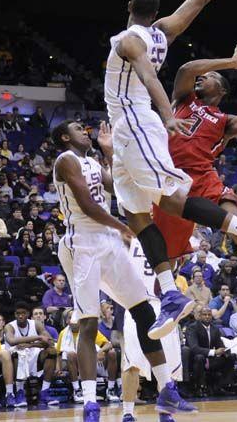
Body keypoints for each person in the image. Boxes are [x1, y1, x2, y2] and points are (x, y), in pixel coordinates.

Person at [102, 0, 237, 339]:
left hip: (138, 124)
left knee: (170, 199)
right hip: (127, 130)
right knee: (134, 213)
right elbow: (199, 0)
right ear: (155, 13)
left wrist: (167, 115)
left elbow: (149, 75)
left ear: (129, 9)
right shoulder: (162, 32)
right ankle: (170, 293)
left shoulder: (130, 40)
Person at [53, 120, 195, 421]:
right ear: (65, 137)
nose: (85, 131)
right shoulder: (65, 160)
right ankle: (91, 404)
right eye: (78, 128)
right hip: (82, 243)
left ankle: (166, 386)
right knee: (89, 324)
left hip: (108, 241)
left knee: (145, 311)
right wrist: (125, 228)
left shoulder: (92, 161)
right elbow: (88, 204)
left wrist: (110, 153)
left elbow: (118, 186)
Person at [120, 237, 183, 422]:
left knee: (169, 364)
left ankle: (166, 413)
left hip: (162, 305)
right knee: (132, 361)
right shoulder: (129, 238)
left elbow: (172, 268)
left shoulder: (171, 242)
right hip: (135, 303)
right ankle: (128, 413)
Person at [4, 300, 58, 408]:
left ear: (28, 314)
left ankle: (44, 391)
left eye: (23, 313)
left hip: (35, 357)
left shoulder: (36, 324)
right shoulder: (9, 326)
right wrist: (37, 337)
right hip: (15, 360)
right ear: (14, 314)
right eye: (17, 313)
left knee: (52, 351)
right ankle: (20, 392)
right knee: (19, 354)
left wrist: (31, 345)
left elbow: (51, 342)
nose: (20, 316)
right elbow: (11, 341)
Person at [185, 306, 235, 397]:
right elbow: (194, 348)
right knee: (199, 357)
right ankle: (200, 388)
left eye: (209, 315)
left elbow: (219, 344)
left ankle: (222, 386)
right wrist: (214, 352)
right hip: (196, 359)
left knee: (231, 357)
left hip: (211, 358)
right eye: (204, 315)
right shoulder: (192, 328)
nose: (207, 317)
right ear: (199, 316)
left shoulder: (214, 328)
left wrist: (224, 350)